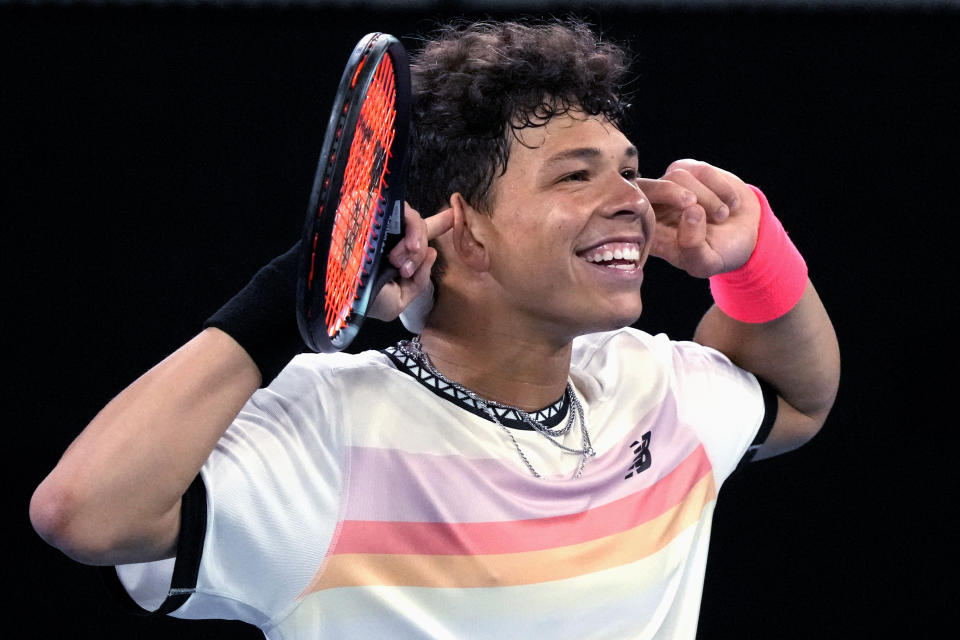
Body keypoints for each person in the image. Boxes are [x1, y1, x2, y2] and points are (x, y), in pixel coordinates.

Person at [30, 19, 840, 639]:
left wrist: (751, 256)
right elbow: (84, 514)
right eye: (576, 174)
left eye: (628, 168)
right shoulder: (327, 432)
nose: (632, 196)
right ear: (466, 229)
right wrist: (296, 291)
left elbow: (797, 401)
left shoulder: (652, 386)